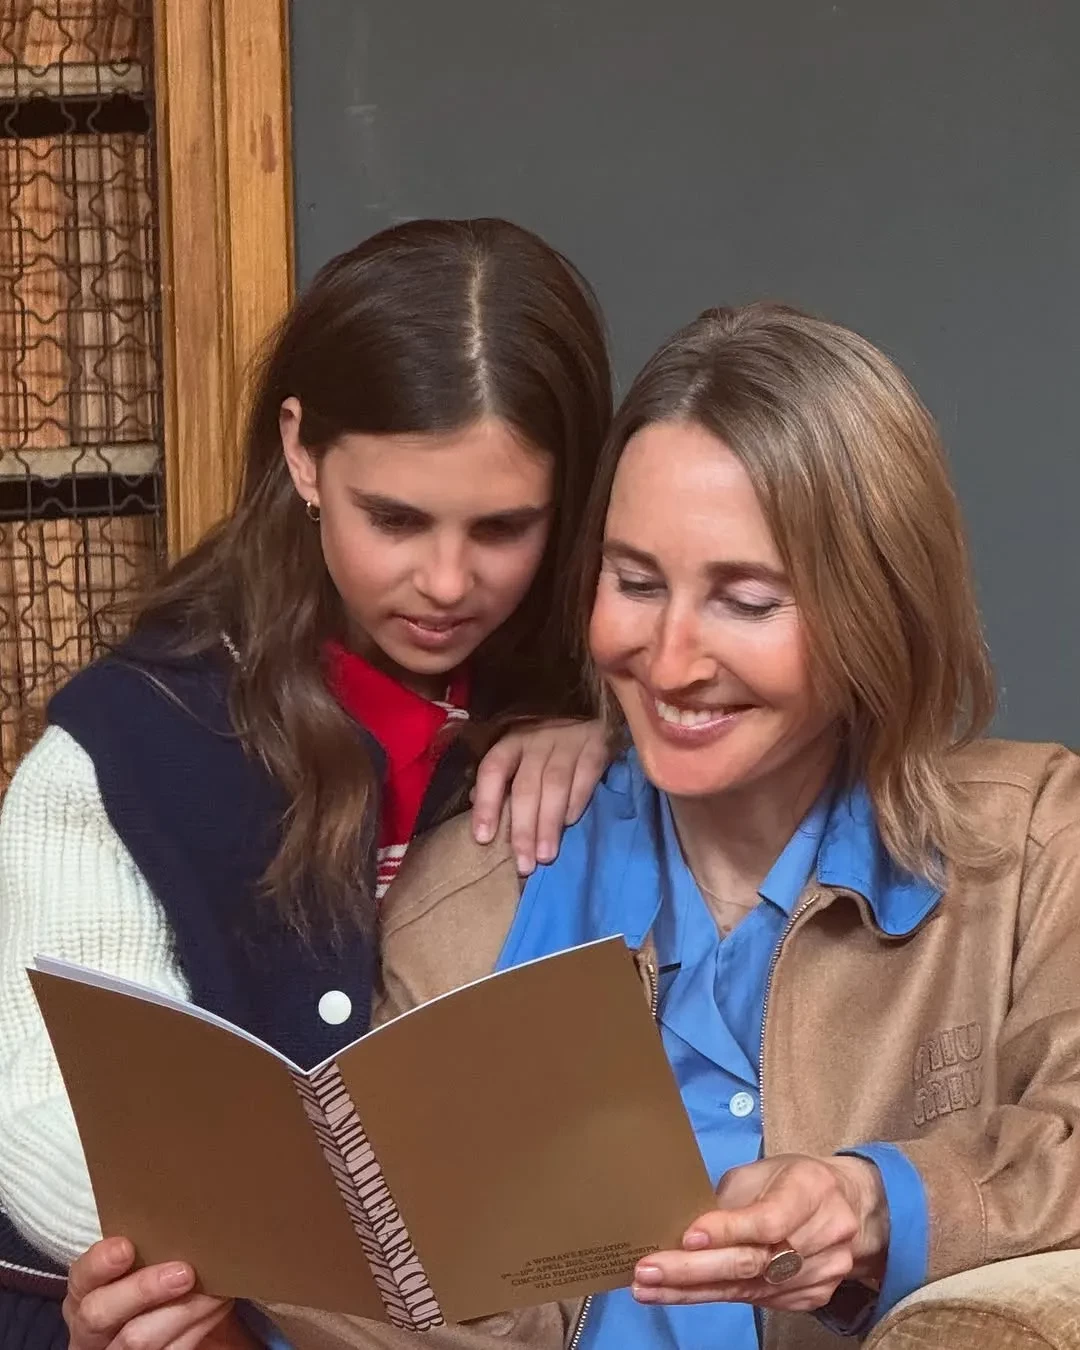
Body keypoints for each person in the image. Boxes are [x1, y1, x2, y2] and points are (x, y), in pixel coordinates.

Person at [64, 302, 1080, 1350]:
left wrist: (879, 1205)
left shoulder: (1035, 850)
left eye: (745, 600)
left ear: (881, 600)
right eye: (634, 583)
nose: (669, 660)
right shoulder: (472, 895)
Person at [0, 218, 615, 1349]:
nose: (447, 582)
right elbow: (50, 1120)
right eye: (396, 519)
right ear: (300, 453)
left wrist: (617, 734)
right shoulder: (121, 749)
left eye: (503, 527)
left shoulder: (605, 700)